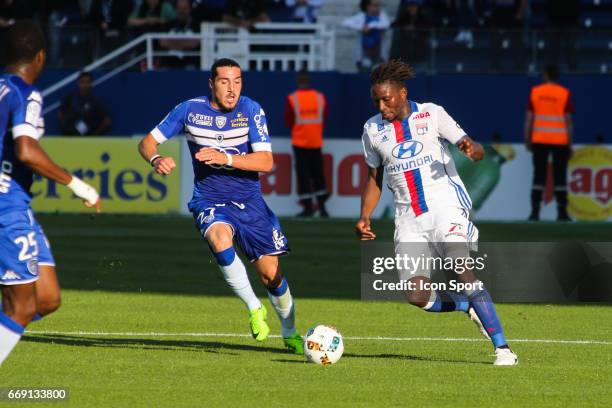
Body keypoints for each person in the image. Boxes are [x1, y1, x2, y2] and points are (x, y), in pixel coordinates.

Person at [355, 60, 518, 365]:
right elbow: (374, 177)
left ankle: (503, 349)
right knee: (417, 297)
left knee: (460, 266)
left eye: (386, 99)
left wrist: (473, 149)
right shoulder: (372, 129)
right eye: (376, 100)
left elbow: (473, 147)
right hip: (408, 220)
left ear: (402, 93)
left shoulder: (432, 114)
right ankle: (465, 307)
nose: (381, 105)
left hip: (446, 207)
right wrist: (365, 216)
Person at [137, 58, 303, 354]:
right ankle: (254, 307)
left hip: (251, 202)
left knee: (271, 275)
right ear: (211, 84)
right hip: (210, 199)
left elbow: (265, 162)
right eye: (225, 82)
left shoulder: (251, 109)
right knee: (218, 237)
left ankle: (290, 331)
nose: (232, 89)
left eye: (237, 81)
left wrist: (225, 157)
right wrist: (156, 159)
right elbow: (147, 142)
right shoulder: (189, 110)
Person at [0, 21, 100, 367]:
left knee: (46, 297)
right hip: (6, 202)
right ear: (40, 57)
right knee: (22, 306)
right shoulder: (25, 93)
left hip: (18, 205)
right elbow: (26, 149)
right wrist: (77, 184)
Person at [525, 64, 573, 221]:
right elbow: (568, 121)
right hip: (560, 141)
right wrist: (569, 143)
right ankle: (562, 213)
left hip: (539, 139)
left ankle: (535, 212)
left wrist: (527, 138)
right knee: (560, 177)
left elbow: (529, 119)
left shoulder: (535, 92)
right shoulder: (564, 93)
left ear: (545, 74)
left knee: (539, 176)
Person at [284, 70, 329, 217]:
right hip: (315, 142)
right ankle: (322, 208)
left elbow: (288, 121)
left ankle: (308, 208)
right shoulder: (319, 98)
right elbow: (325, 117)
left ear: (298, 81)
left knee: (303, 176)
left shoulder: (293, 98)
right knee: (318, 175)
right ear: (309, 81)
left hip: (300, 142)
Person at [58, 71, 112, 136]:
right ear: (78, 83)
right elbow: (60, 114)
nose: (85, 85)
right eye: (82, 82)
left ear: (91, 83)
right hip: (70, 137)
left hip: (89, 139)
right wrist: (66, 129)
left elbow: (107, 121)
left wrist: (94, 135)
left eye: (88, 82)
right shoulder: (70, 99)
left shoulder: (96, 102)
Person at [342, 0, 391, 71]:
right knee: (364, 73)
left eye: (378, 5)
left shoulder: (382, 15)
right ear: (368, 6)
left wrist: (370, 26)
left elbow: (386, 24)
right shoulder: (361, 16)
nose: (377, 8)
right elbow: (346, 23)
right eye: (375, 5)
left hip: (378, 53)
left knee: (379, 75)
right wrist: (362, 27)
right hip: (364, 53)